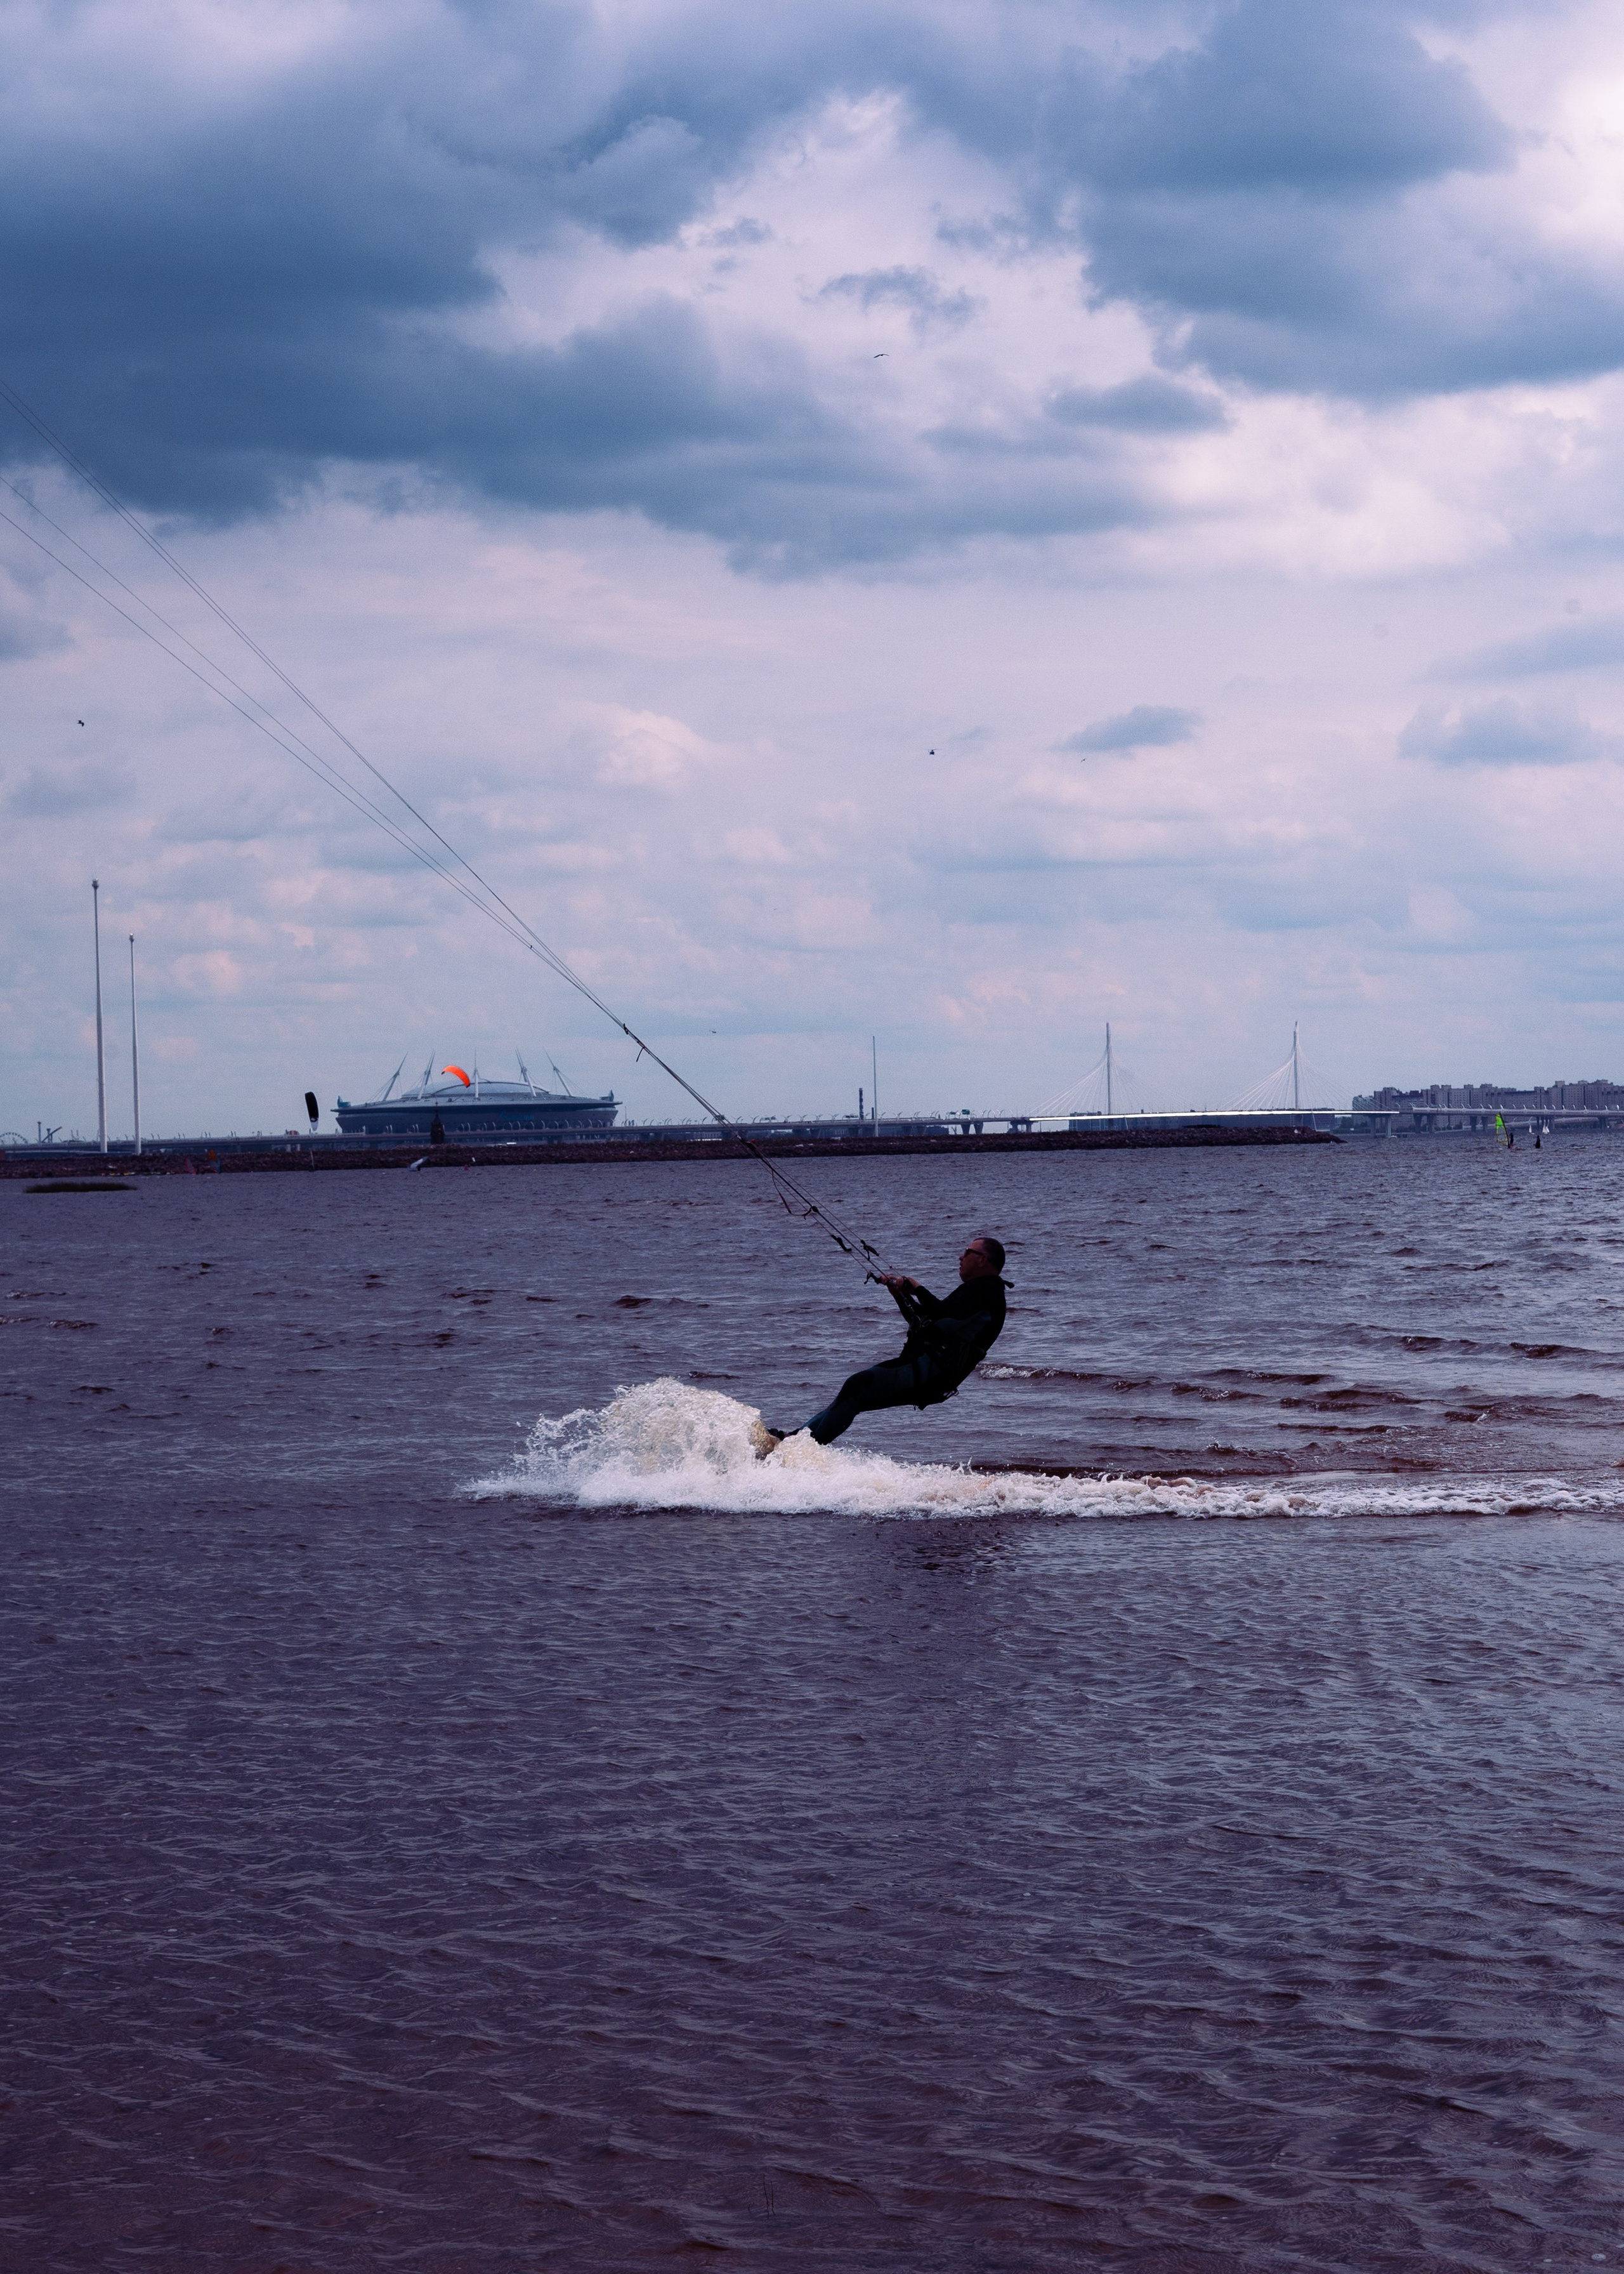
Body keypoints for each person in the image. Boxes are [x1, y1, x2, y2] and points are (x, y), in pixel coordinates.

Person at [762, 1235, 1009, 1450]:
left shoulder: (988, 1293)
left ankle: (798, 1451)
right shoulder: (976, 1291)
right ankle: (791, 1441)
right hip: (925, 1370)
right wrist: (900, 1296)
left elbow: (943, 1315)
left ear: (982, 1259)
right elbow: (925, 1322)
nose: (960, 1256)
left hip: (931, 1372)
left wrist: (917, 1287)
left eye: (967, 1252)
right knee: (850, 1397)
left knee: (856, 1386)